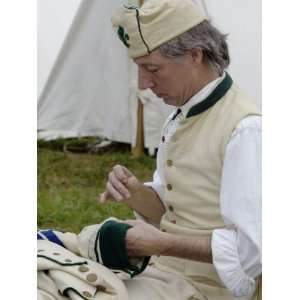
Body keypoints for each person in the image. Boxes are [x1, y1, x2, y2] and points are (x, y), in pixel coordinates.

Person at [100, 0, 262, 299]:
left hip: (208, 290)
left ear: (195, 55)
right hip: (164, 273)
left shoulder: (245, 130)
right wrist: (135, 191)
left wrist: (159, 243)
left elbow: (252, 251)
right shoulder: (181, 116)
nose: (145, 83)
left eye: (152, 69)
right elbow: (175, 210)